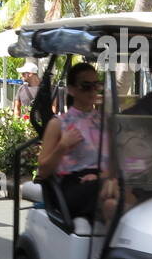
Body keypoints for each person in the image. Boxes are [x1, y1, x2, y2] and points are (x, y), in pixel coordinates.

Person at [36, 63, 104, 218]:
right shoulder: (59, 124)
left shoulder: (105, 122)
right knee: (106, 192)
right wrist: (62, 146)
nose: (93, 90)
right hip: (74, 184)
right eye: (86, 86)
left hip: (102, 180)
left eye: (96, 85)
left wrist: (103, 176)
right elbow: (43, 171)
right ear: (72, 89)